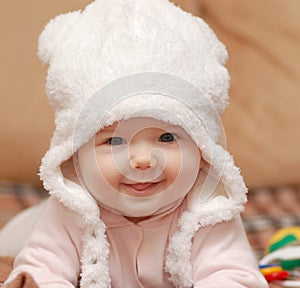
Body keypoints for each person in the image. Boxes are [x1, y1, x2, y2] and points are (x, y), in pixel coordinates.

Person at [5, 0, 268, 287]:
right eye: (114, 140)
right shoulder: (71, 208)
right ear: (74, 157)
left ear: (203, 151)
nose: (143, 160)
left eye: (167, 137)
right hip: (21, 231)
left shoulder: (207, 210)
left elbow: (230, 275)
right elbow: (44, 270)